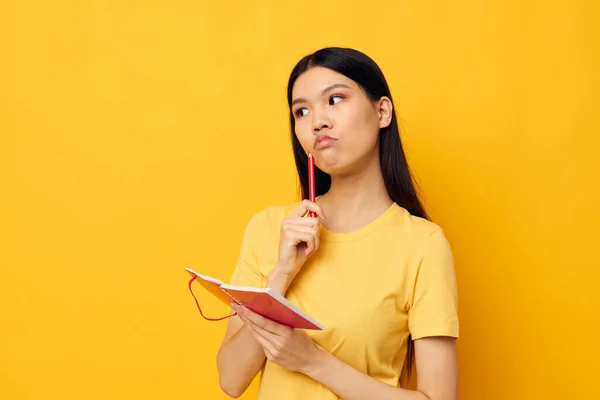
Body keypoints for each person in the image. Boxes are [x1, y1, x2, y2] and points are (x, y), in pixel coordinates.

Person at [216, 47, 459, 400]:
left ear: (382, 111)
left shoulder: (421, 244)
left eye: (335, 100)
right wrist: (281, 274)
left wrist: (313, 361)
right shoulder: (269, 228)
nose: (317, 121)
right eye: (302, 110)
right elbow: (230, 379)